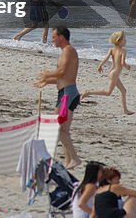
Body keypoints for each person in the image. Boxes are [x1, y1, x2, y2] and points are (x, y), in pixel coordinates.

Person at [34, 26, 82, 169]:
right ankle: (69, 162)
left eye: (54, 37)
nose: (52, 39)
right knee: (64, 130)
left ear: (61, 37)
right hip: (65, 92)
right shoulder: (64, 52)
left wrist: (46, 74)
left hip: (68, 94)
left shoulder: (68, 51)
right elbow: (63, 78)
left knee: (58, 127)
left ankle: (74, 158)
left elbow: (61, 72)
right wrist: (46, 81)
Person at [82, 31, 135, 115]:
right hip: (114, 74)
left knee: (123, 91)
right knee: (108, 92)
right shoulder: (123, 51)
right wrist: (128, 66)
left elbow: (106, 59)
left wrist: (100, 65)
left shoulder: (112, 50)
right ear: (119, 40)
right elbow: (122, 63)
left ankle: (125, 110)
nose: (126, 41)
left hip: (111, 72)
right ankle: (88, 92)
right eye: (124, 39)